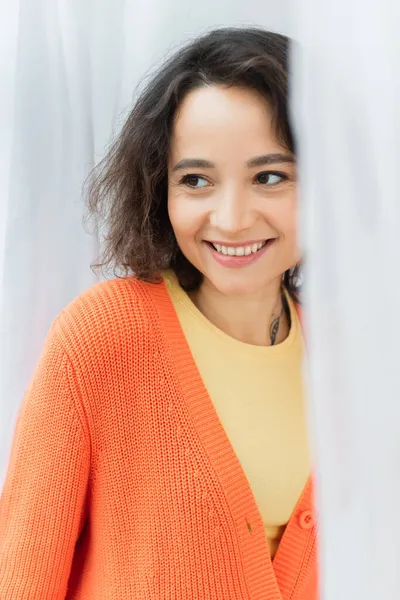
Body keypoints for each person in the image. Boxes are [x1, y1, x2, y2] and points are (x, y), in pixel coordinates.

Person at [0, 27, 317, 599]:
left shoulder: (355, 363)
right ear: (157, 191)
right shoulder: (102, 336)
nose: (232, 217)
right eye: (195, 180)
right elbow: (22, 575)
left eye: (269, 176)